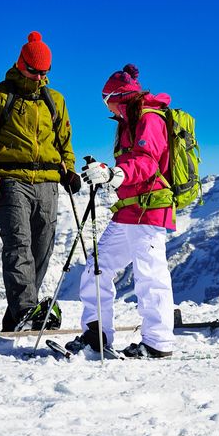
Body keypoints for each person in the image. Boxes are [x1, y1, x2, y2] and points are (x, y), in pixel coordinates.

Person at [0, 31, 79, 332]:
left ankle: (16, 312)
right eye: (34, 71)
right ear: (21, 65)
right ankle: (26, 310)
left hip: (48, 182)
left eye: (45, 72)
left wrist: (68, 169)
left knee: (42, 248)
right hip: (10, 180)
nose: (40, 77)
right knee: (18, 244)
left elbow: (65, 142)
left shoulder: (54, 101)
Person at [67, 64, 177, 359]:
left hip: (151, 208)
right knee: (97, 267)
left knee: (149, 274)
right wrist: (106, 172)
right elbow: (131, 164)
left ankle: (158, 342)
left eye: (107, 101)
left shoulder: (150, 119)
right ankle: (96, 334)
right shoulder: (128, 121)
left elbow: (147, 162)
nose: (109, 109)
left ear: (118, 97)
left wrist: (114, 174)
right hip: (129, 210)